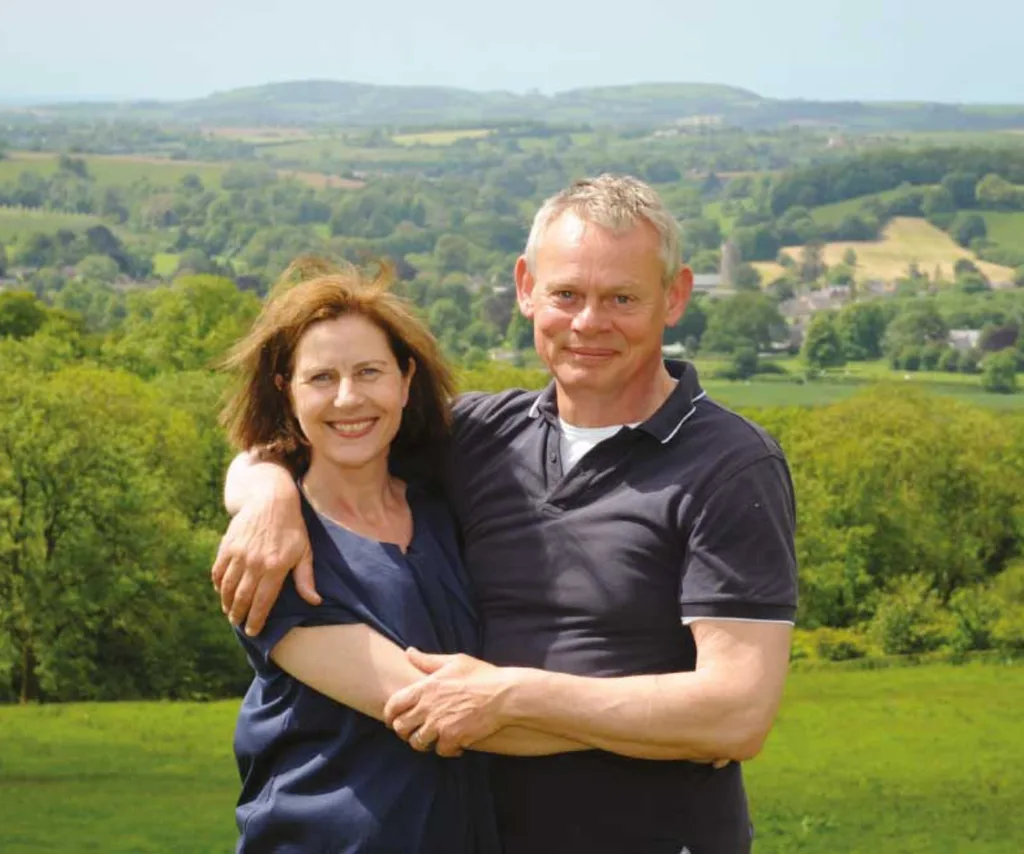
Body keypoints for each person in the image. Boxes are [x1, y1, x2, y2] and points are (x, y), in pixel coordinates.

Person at [214, 176, 799, 854]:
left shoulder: (731, 466)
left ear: (674, 297)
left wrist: (513, 695)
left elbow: (736, 715)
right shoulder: (478, 436)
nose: (589, 323)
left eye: (622, 298)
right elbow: (323, 439)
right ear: (526, 288)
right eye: (566, 294)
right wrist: (266, 495)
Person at [218, 259, 587, 854]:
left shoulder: (447, 506)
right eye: (321, 378)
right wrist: (661, 727)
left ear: (406, 379)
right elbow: (442, 713)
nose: (348, 398)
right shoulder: (276, 553)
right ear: (286, 390)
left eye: (369, 372)